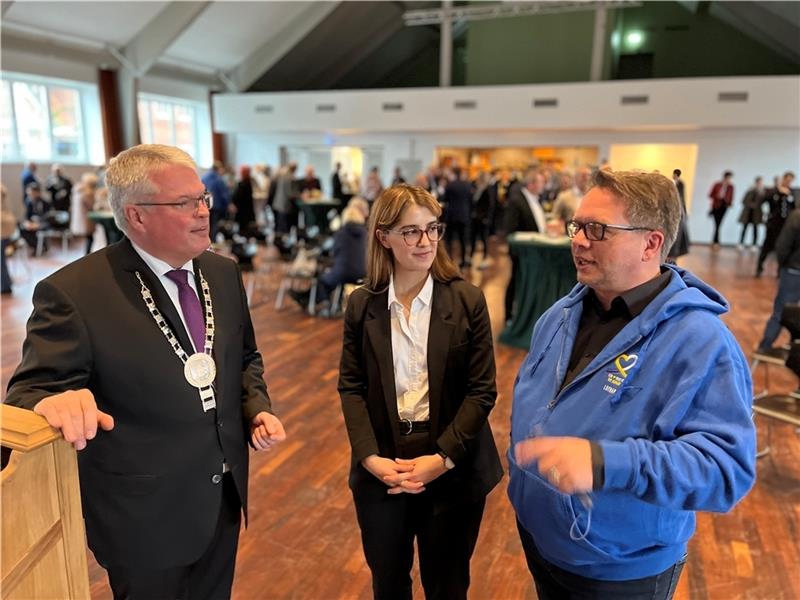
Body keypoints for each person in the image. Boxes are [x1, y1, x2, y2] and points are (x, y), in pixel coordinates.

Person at [5, 144, 286, 600]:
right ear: (136, 216)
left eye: (202, 199)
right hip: (142, 516)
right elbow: (28, 392)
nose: (202, 212)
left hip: (221, 495)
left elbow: (244, 357)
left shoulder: (222, 273)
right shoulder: (75, 292)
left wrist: (256, 406)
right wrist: (52, 401)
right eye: (184, 203)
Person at [509, 169, 756, 600]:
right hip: (541, 538)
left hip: (619, 571)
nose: (579, 240)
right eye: (578, 226)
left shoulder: (700, 341)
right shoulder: (560, 314)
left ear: (651, 243)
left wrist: (605, 462)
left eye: (597, 230)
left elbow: (726, 470)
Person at [338, 184, 502, 600]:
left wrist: (441, 459)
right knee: (388, 583)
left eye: (432, 228)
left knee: (447, 585)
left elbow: (482, 392)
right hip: (383, 465)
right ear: (384, 237)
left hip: (453, 463)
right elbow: (351, 385)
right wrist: (370, 456)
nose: (425, 241)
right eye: (410, 232)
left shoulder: (467, 300)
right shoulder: (362, 304)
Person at [290, 204, 368, 312]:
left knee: (323, 280)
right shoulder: (366, 234)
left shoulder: (340, 234)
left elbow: (333, 253)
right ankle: (333, 303)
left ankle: (320, 302)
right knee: (336, 277)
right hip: (363, 273)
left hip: (342, 273)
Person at [504, 169, 546, 323]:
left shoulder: (535, 199)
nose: (543, 185)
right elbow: (510, 229)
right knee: (516, 281)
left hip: (533, 252)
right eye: (541, 182)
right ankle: (508, 315)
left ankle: (525, 314)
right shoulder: (517, 200)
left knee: (526, 283)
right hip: (521, 252)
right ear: (531, 184)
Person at [756, 207, 800, 354]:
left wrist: (783, 264)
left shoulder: (797, 215)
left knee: (781, 311)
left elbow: (782, 245)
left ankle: (765, 346)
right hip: (793, 268)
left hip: (793, 270)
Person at [756, 171, 796, 277]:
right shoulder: (773, 191)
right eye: (787, 180)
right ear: (783, 179)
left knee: (783, 247)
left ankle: (780, 271)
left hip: (786, 226)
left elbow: (795, 206)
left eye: (790, 181)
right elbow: (761, 200)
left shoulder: (793, 192)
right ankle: (759, 268)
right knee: (767, 246)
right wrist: (777, 190)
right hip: (773, 223)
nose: (788, 183)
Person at [70, 172, 99, 255]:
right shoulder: (88, 193)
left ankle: (87, 254)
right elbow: (91, 206)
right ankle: (87, 255)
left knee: (88, 238)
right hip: (86, 219)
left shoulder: (77, 190)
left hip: (80, 218)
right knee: (90, 238)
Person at [202, 161, 231, 241]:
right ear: (218, 169)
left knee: (206, 225)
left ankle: (206, 244)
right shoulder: (219, 179)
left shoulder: (203, 177)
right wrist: (228, 205)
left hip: (205, 206)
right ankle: (213, 243)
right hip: (215, 206)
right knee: (214, 225)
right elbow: (224, 195)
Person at [667, 168, 690, 262]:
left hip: (679, 208)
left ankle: (674, 254)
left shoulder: (681, 184)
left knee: (679, 233)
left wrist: (683, 210)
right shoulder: (670, 183)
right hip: (672, 208)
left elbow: (682, 197)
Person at [738, 176, 765, 250]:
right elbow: (744, 201)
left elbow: (763, 201)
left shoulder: (762, 193)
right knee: (744, 228)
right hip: (748, 213)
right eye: (758, 183)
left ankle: (754, 244)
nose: (759, 184)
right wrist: (751, 204)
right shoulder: (750, 191)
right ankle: (741, 243)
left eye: (760, 183)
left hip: (756, 214)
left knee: (755, 229)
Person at [708, 170, 734, 248]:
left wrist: (729, 203)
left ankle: (715, 241)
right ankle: (716, 242)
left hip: (724, 206)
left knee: (718, 224)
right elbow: (710, 194)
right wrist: (717, 196)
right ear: (725, 177)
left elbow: (731, 196)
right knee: (717, 224)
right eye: (728, 178)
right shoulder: (717, 184)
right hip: (716, 206)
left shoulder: (731, 187)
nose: (729, 179)